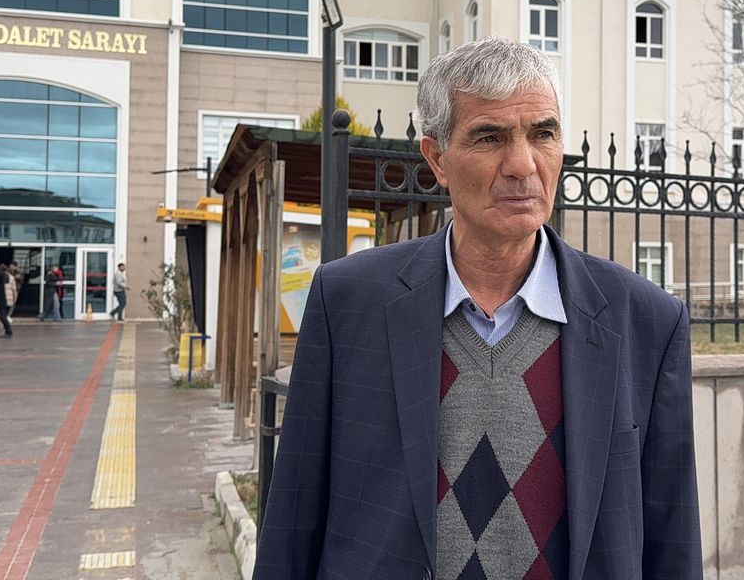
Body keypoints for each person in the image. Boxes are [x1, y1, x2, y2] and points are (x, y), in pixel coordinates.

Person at [254, 37, 701, 580]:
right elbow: (293, 521)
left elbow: (672, 539)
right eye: (490, 137)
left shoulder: (646, 322)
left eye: (543, 134)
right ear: (437, 159)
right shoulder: (347, 302)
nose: (522, 165)